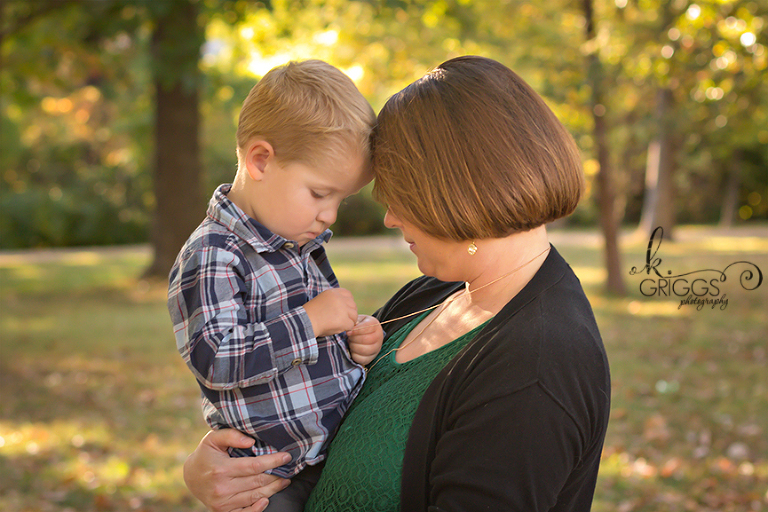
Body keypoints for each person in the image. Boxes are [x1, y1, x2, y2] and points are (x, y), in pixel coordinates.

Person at [181, 55, 611, 512]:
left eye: (401, 196)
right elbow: (320, 428)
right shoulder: (432, 295)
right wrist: (225, 474)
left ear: (454, 191)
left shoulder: (540, 364)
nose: (389, 217)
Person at [167, 59, 384, 511]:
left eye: (341, 199)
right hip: (270, 478)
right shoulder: (213, 255)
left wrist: (355, 337)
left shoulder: (300, 244)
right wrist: (310, 321)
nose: (330, 215)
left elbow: (323, 334)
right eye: (321, 194)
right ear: (261, 160)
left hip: (334, 453)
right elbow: (217, 360)